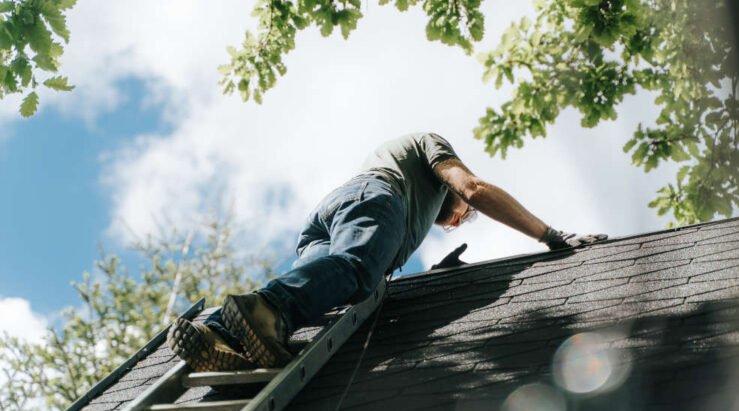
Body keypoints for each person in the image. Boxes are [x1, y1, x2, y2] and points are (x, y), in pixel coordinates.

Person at [166, 133, 606, 371]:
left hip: (331, 214)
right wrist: (550, 235)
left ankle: (217, 333)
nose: (454, 222)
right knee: (357, 271)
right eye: (459, 217)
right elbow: (473, 187)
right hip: (374, 198)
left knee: (323, 283)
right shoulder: (432, 151)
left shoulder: (406, 189)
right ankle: (268, 309)